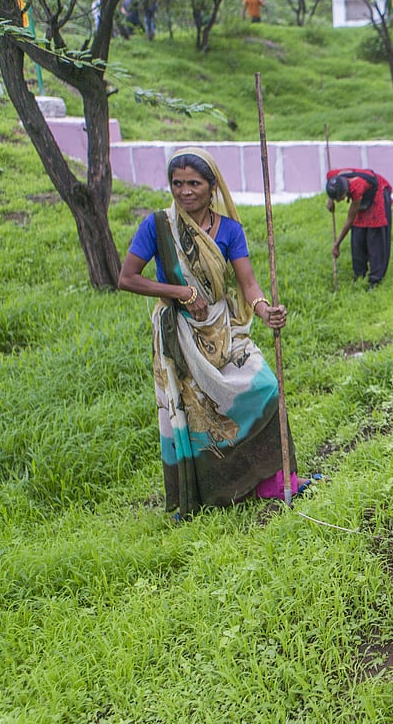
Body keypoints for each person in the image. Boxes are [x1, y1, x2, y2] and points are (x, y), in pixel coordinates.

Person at [118, 148, 316, 518]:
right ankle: (206, 492)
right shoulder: (158, 226)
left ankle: (271, 480)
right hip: (178, 332)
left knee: (264, 387)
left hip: (223, 328)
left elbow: (249, 284)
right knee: (194, 411)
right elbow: (127, 278)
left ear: (213, 187)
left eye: (194, 183)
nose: (185, 191)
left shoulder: (229, 230)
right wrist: (180, 292)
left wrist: (265, 309)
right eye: (177, 184)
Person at [326, 168, 393, 288]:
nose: (339, 201)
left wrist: (337, 244)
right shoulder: (334, 177)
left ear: (345, 192)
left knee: (375, 236)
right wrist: (330, 199)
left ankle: (375, 279)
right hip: (365, 195)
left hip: (377, 193)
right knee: (358, 235)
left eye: (339, 198)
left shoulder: (357, 187)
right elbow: (331, 179)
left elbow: (350, 220)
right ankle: (359, 274)